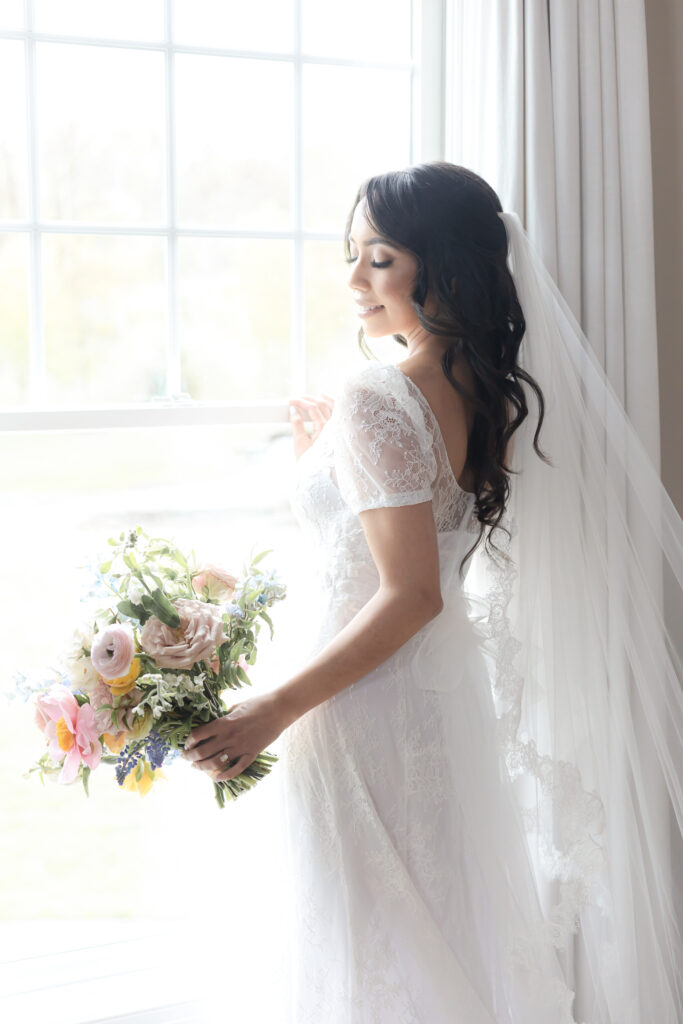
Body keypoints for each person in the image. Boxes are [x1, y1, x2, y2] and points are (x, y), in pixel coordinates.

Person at [183, 162, 683, 1022]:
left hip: (353, 712)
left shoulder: (379, 392)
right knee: (427, 935)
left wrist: (271, 710)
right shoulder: (471, 386)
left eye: (379, 258)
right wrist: (325, 459)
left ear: (441, 266)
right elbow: (386, 550)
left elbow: (410, 594)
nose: (352, 280)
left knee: (365, 948)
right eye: (353, 255)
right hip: (430, 707)